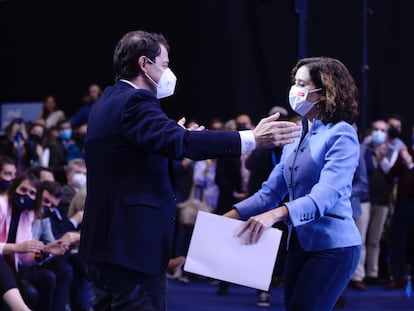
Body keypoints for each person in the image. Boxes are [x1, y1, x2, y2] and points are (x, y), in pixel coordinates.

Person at [79, 29, 300, 311]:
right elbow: (181, 143)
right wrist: (252, 139)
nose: (169, 72)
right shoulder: (136, 102)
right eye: (165, 64)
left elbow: (137, 154)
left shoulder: (108, 101)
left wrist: (178, 136)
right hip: (131, 248)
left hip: (108, 245)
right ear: (144, 64)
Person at [224, 57, 361, 311]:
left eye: (302, 83)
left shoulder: (342, 133)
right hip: (298, 244)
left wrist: (274, 215)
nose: (294, 90)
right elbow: (270, 192)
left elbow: (324, 196)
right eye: (294, 82)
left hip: (333, 246)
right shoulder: (297, 132)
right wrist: (230, 215)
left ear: (323, 93)